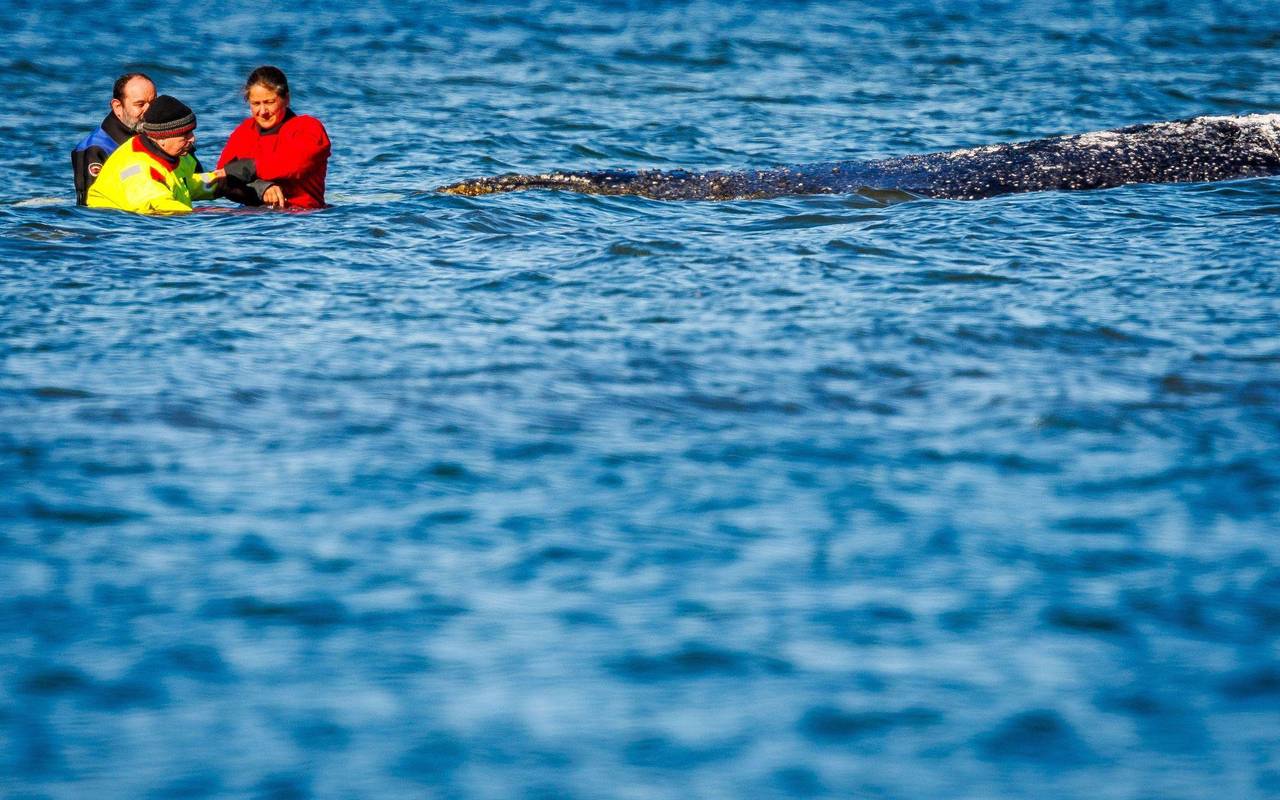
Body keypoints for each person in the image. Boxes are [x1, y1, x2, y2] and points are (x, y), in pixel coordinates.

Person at [87, 96, 224, 215]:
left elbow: (185, 183)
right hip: (114, 232)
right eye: (185, 134)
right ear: (161, 138)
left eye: (192, 132)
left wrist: (223, 180)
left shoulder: (172, 155)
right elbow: (162, 207)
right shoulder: (138, 170)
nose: (192, 139)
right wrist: (211, 215)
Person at [218, 66, 331, 209]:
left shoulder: (308, 128)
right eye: (256, 104)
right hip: (249, 220)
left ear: (287, 99)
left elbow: (294, 165)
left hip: (302, 217)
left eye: (269, 102)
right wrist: (261, 188)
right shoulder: (244, 131)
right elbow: (221, 179)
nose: (263, 111)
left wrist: (247, 168)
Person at [71, 73, 157, 205]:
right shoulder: (95, 149)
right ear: (117, 107)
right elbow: (92, 207)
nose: (149, 110)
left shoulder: (167, 138)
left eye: (153, 103)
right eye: (140, 104)